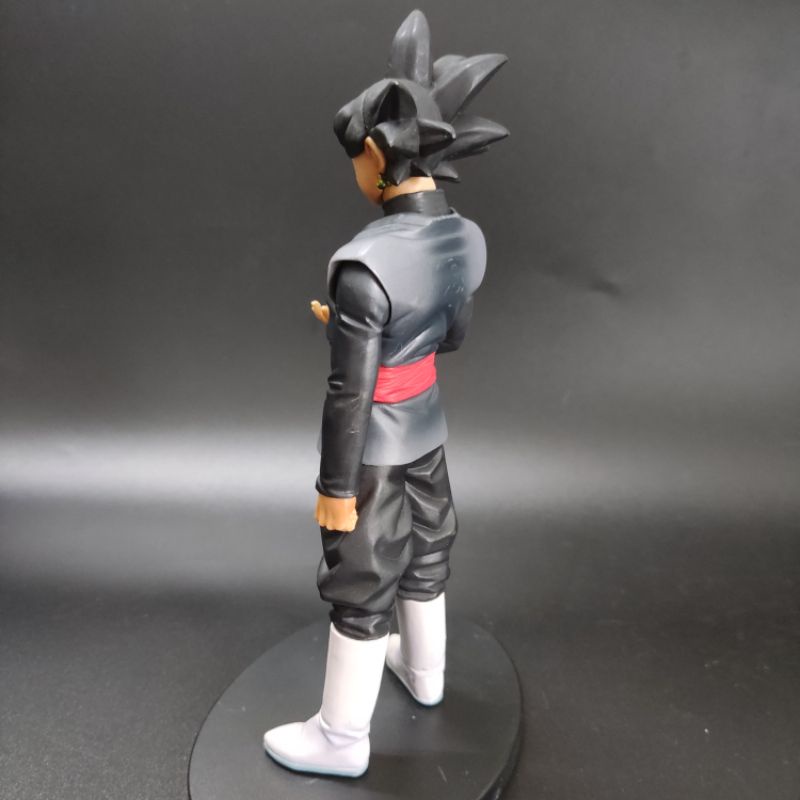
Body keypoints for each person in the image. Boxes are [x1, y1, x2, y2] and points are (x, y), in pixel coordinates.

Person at [263, 9, 508, 778]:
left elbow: (350, 391)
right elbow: (450, 337)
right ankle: (427, 674)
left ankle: (341, 736)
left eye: (355, 161)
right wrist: (362, 327)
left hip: (372, 450)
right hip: (429, 431)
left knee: (362, 580)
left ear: (375, 155)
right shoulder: (466, 239)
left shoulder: (364, 263)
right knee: (428, 553)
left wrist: (335, 490)